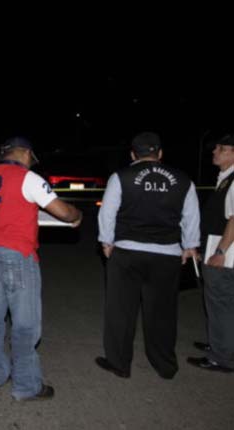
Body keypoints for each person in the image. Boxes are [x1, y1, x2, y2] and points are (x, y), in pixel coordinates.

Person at [0, 136, 82, 401]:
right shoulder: (29, 178)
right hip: (18, 255)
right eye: (30, 156)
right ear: (23, 153)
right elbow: (63, 212)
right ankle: (27, 385)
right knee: (25, 325)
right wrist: (77, 215)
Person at [97, 132, 200, 379]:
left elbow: (108, 212)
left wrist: (106, 241)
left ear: (133, 154)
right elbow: (191, 215)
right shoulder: (183, 179)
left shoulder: (121, 176)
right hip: (167, 255)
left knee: (121, 311)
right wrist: (190, 245)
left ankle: (119, 364)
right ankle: (165, 366)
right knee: (162, 313)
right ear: (160, 154)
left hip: (128, 252)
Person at [187, 134, 234, 373]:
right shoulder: (225, 178)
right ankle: (220, 344)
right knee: (221, 304)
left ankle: (221, 356)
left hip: (225, 256)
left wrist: (220, 251)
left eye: (222, 149)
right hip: (219, 250)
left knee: (221, 304)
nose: (215, 152)